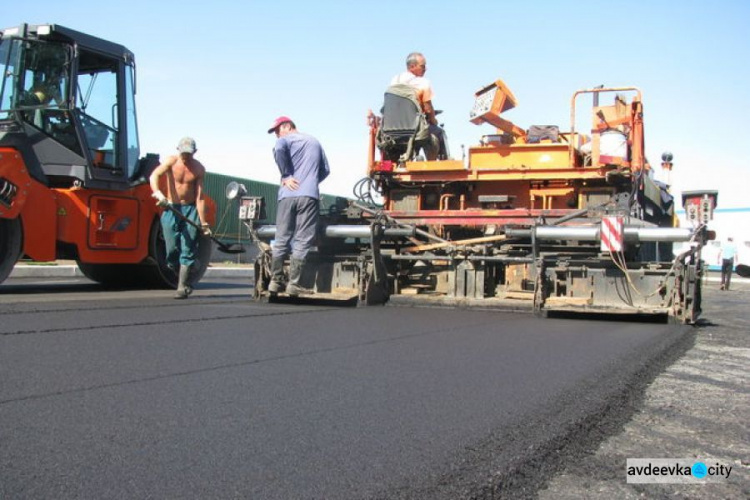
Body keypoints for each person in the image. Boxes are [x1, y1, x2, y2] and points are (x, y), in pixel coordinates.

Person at [266, 116, 330, 295]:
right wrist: (310, 181)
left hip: (287, 195)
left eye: (277, 130)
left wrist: (286, 175)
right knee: (302, 239)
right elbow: (326, 170)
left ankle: (275, 281)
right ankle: (293, 284)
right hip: (308, 196)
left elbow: (278, 148)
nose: (277, 135)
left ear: (287, 126)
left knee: (281, 238)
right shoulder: (314, 141)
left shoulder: (284, 141)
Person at [149, 137, 211, 299]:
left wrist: (203, 222)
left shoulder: (198, 169)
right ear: (178, 150)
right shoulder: (171, 161)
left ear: (194, 152)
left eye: (189, 154)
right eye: (183, 153)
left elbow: (200, 197)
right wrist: (158, 193)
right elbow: (154, 175)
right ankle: (189, 269)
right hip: (171, 208)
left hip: (190, 209)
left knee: (188, 247)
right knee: (171, 250)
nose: (185, 157)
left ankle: (182, 286)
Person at [390, 52, 447, 160]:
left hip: (393, 129)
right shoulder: (423, 83)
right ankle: (434, 164)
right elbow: (428, 108)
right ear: (412, 66)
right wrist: (433, 120)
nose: (426, 69)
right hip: (414, 128)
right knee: (438, 132)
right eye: (423, 66)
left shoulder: (394, 81)